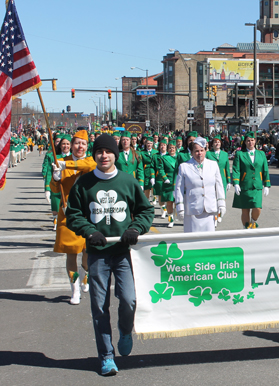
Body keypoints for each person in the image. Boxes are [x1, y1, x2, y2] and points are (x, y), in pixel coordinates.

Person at [66, 134, 154, 376]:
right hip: (97, 255)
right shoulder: (84, 184)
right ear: (94, 155)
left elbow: (146, 210)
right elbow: (73, 214)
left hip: (123, 253)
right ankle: (106, 356)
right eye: (99, 152)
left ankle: (125, 330)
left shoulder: (128, 181)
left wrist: (136, 228)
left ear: (115, 154)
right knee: (99, 306)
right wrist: (88, 230)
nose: (103, 156)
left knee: (128, 300)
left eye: (108, 152)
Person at [50, 130, 96, 305]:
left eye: (83, 143)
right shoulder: (61, 162)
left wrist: (65, 167)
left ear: (87, 146)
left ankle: (84, 276)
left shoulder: (91, 161)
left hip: (88, 215)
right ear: (71, 144)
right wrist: (55, 179)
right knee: (71, 254)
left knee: (86, 253)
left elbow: (86, 167)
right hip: (67, 213)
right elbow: (55, 189)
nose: (80, 146)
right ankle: (75, 288)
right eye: (77, 143)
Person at [175, 137, 226, 232]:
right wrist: (180, 206)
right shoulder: (184, 167)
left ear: (205, 151)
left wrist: (221, 203)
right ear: (192, 152)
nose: (199, 153)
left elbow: (219, 185)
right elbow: (178, 188)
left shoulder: (213, 165)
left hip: (209, 209)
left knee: (208, 240)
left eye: (202, 150)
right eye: (196, 151)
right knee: (192, 241)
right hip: (192, 209)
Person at [232, 132, 271, 229]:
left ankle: (253, 222)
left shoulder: (261, 154)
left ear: (255, 141)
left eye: (252, 140)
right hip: (244, 185)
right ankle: (246, 228)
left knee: (257, 207)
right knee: (245, 210)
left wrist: (266, 184)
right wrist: (236, 183)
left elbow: (265, 169)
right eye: (248, 140)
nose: (250, 142)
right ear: (245, 142)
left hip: (257, 185)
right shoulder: (240, 154)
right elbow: (236, 169)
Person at [156, 140, 178, 226]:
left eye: (173, 148)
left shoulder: (179, 157)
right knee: (169, 202)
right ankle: (171, 219)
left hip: (177, 180)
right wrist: (164, 178)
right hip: (168, 182)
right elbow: (160, 169)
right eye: (170, 148)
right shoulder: (163, 158)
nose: (171, 149)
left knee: (177, 201)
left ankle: (176, 214)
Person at [140, 137, 158, 204]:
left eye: (150, 143)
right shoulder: (142, 153)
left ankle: (154, 198)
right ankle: (147, 203)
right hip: (146, 172)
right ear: (145, 144)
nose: (149, 145)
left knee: (154, 187)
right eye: (148, 143)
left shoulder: (156, 152)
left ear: (153, 143)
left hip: (154, 173)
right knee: (146, 188)